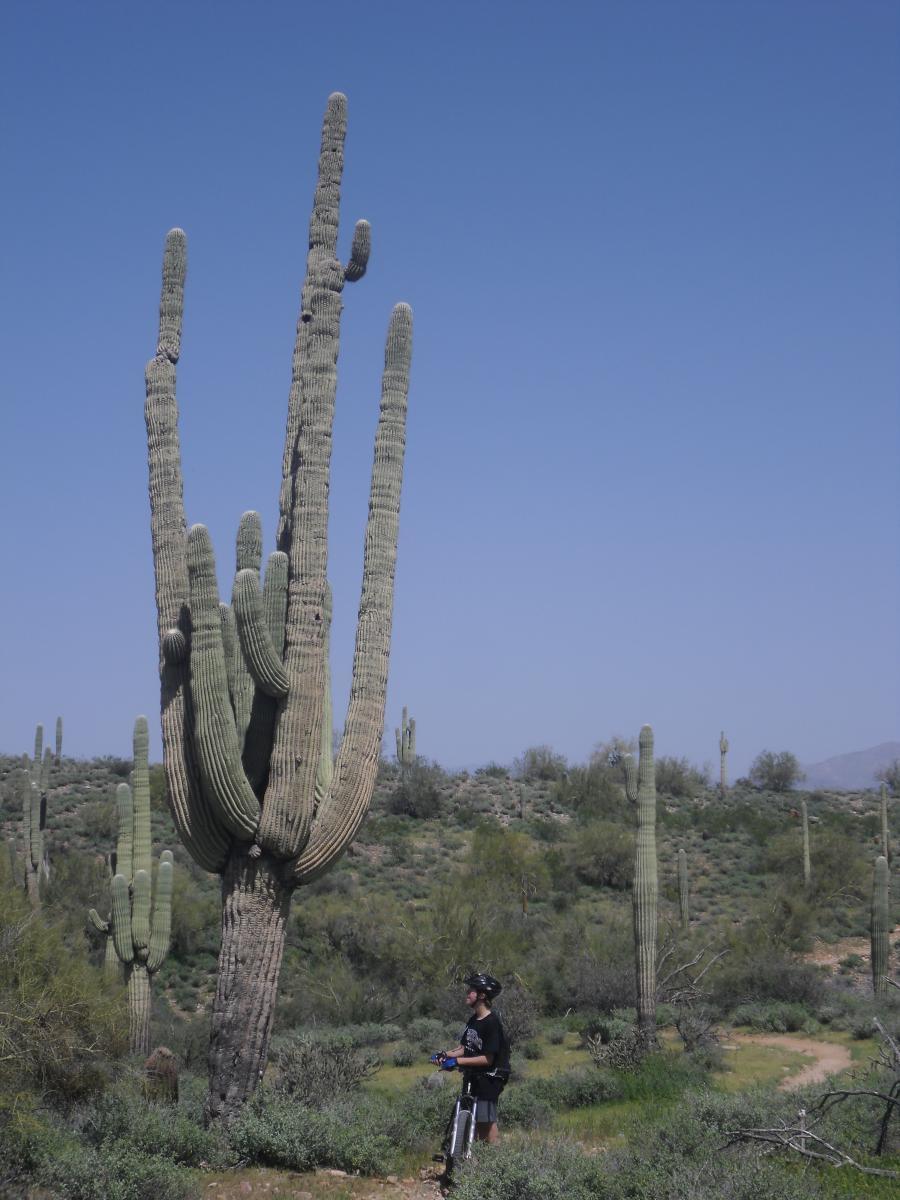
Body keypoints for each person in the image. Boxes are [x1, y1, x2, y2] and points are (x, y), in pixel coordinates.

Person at [434, 973, 510, 1144]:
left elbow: (487, 1059)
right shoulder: (473, 1020)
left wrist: (457, 1062)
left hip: (491, 1076)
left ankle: (494, 1161)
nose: (467, 993)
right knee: (469, 1115)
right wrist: (445, 1055)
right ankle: (467, 1157)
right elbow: (464, 1048)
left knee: (485, 1120)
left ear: (482, 995)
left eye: (471, 990)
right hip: (473, 1074)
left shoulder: (492, 1022)